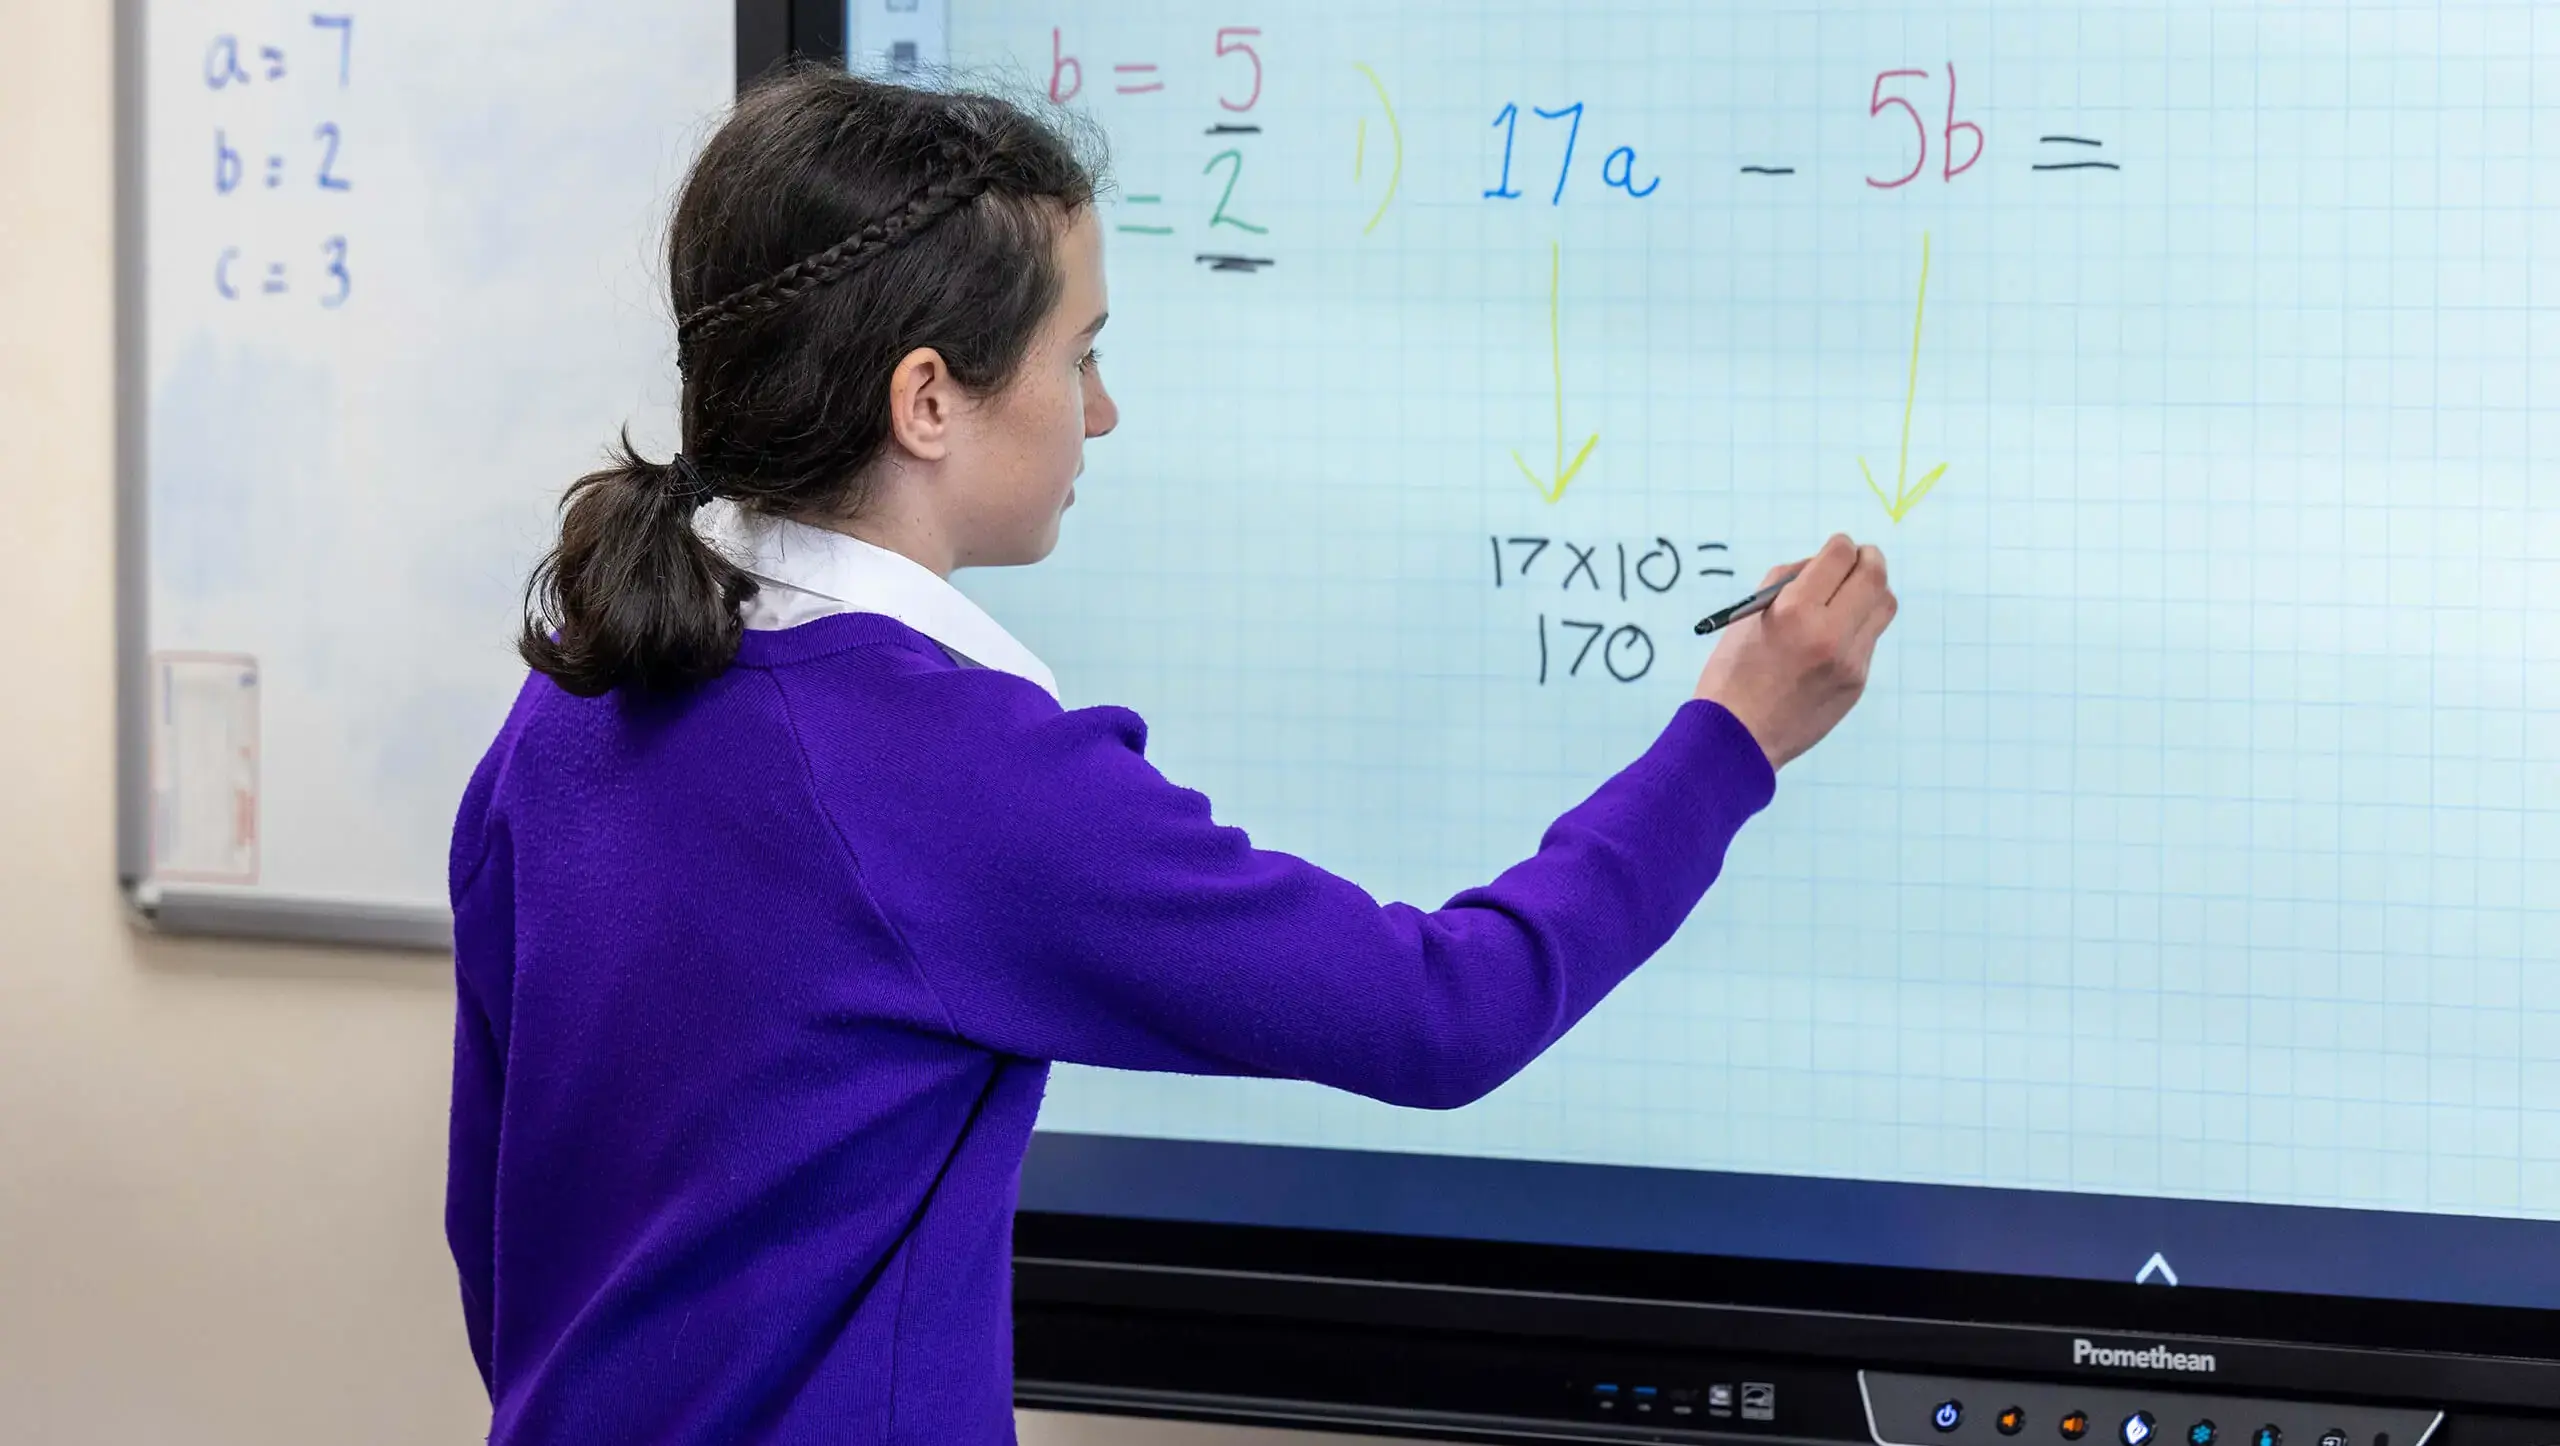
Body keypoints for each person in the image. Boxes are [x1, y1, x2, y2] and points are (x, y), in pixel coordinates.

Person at [446, 65, 1897, 1445]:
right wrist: (1732, 739)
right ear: (928, 397)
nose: (1104, 409)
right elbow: (1444, 1012)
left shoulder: (575, 694)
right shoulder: (948, 772)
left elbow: (494, 1225)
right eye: (1080, 356)